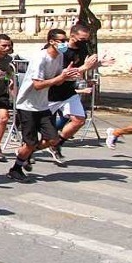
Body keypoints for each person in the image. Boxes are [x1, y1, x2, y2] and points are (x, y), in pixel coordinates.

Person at [9, 29, 81, 182]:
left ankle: (25, 153)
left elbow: (57, 80)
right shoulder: (40, 58)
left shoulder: (60, 56)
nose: (64, 43)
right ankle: (15, 169)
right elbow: (37, 85)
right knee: (30, 143)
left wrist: (68, 75)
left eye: (65, 40)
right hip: (27, 105)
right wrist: (60, 77)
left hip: (42, 105)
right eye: (61, 40)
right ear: (51, 41)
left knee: (53, 139)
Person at [46, 24, 113, 164]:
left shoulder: (83, 48)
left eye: (86, 39)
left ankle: (57, 145)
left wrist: (100, 63)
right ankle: (25, 154)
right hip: (51, 92)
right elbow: (65, 74)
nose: (84, 42)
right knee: (40, 127)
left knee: (79, 120)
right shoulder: (60, 51)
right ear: (72, 36)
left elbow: (83, 66)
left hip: (68, 92)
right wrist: (85, 67)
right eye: (82, 39)